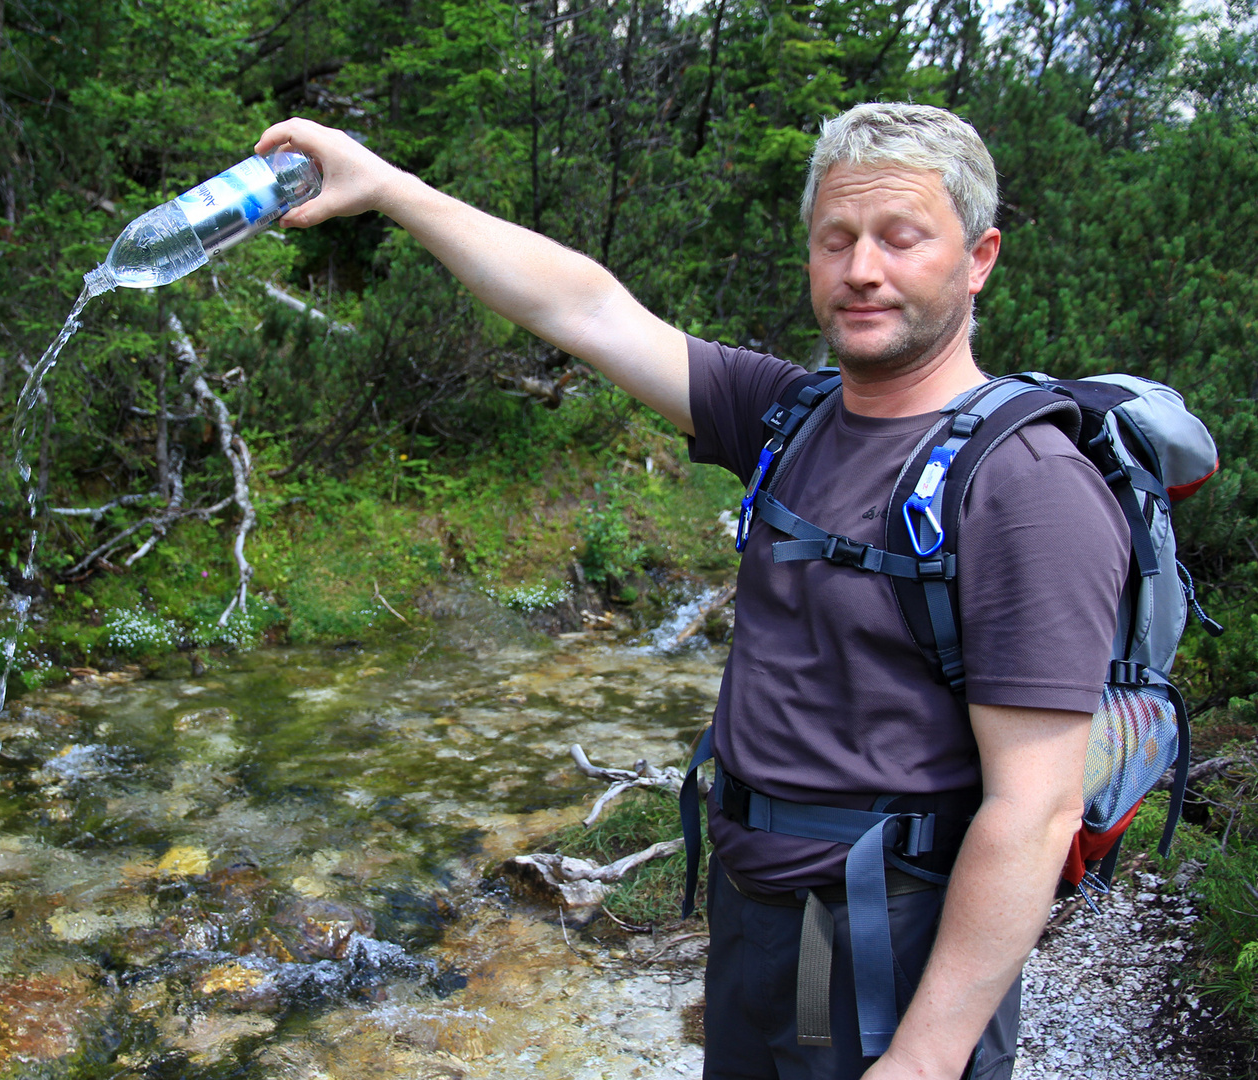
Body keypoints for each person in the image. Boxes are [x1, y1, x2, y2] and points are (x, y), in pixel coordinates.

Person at [255, 103, 1128, 1080]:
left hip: (877, 936)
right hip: (763, 912)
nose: (862, 269)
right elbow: (584, 307)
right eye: (835, 239)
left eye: (901, 237)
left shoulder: (1028, 488)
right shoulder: (787, 416)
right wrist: (385, 187)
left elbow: (1035, 809)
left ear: (979, 258)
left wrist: (923, 1059)